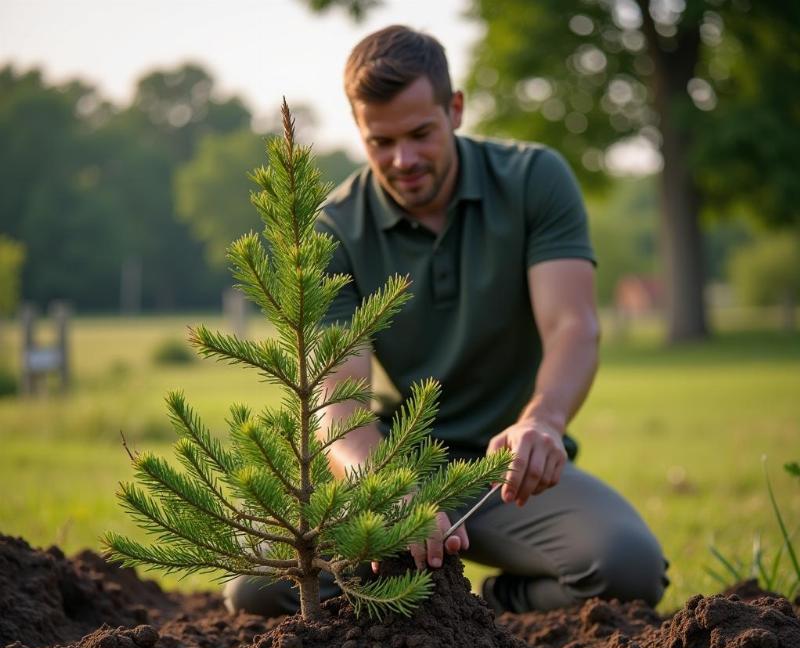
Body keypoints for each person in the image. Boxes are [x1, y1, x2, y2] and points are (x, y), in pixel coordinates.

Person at [224, 25, 668, 617]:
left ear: (454, 110)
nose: (402, 160)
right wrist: (378, 488)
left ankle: (492, 607)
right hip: (397, 462)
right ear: (358, 130)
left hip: (511, 471)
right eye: (380, 142)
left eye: (420, 134)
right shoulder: (333, 230)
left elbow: (573, 326)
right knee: (257, 587)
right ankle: (417, 596)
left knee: (627, 567)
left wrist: (544, 421)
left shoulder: (535, 179)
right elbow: (337, 394)